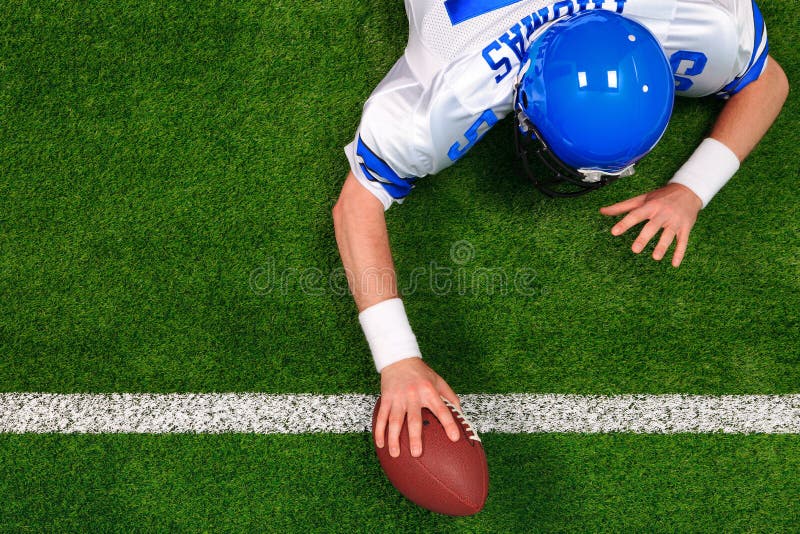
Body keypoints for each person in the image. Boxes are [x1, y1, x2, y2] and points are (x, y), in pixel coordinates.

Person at [332, 0, 789, 459]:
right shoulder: (452, 83)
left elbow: (768, 81)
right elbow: (357, 202)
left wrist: (691, 187)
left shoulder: (704, 21)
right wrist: (396, 357)